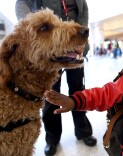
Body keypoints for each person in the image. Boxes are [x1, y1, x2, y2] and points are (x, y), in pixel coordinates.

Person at [15, 0, 97, 156]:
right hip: (48, 52)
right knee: (49, 97)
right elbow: (22, 3)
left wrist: (81, 39)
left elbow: (83, 10)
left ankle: (84, 131)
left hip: (74, 48)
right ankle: (52, 139)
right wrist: (29, 27)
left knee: (79, 91)